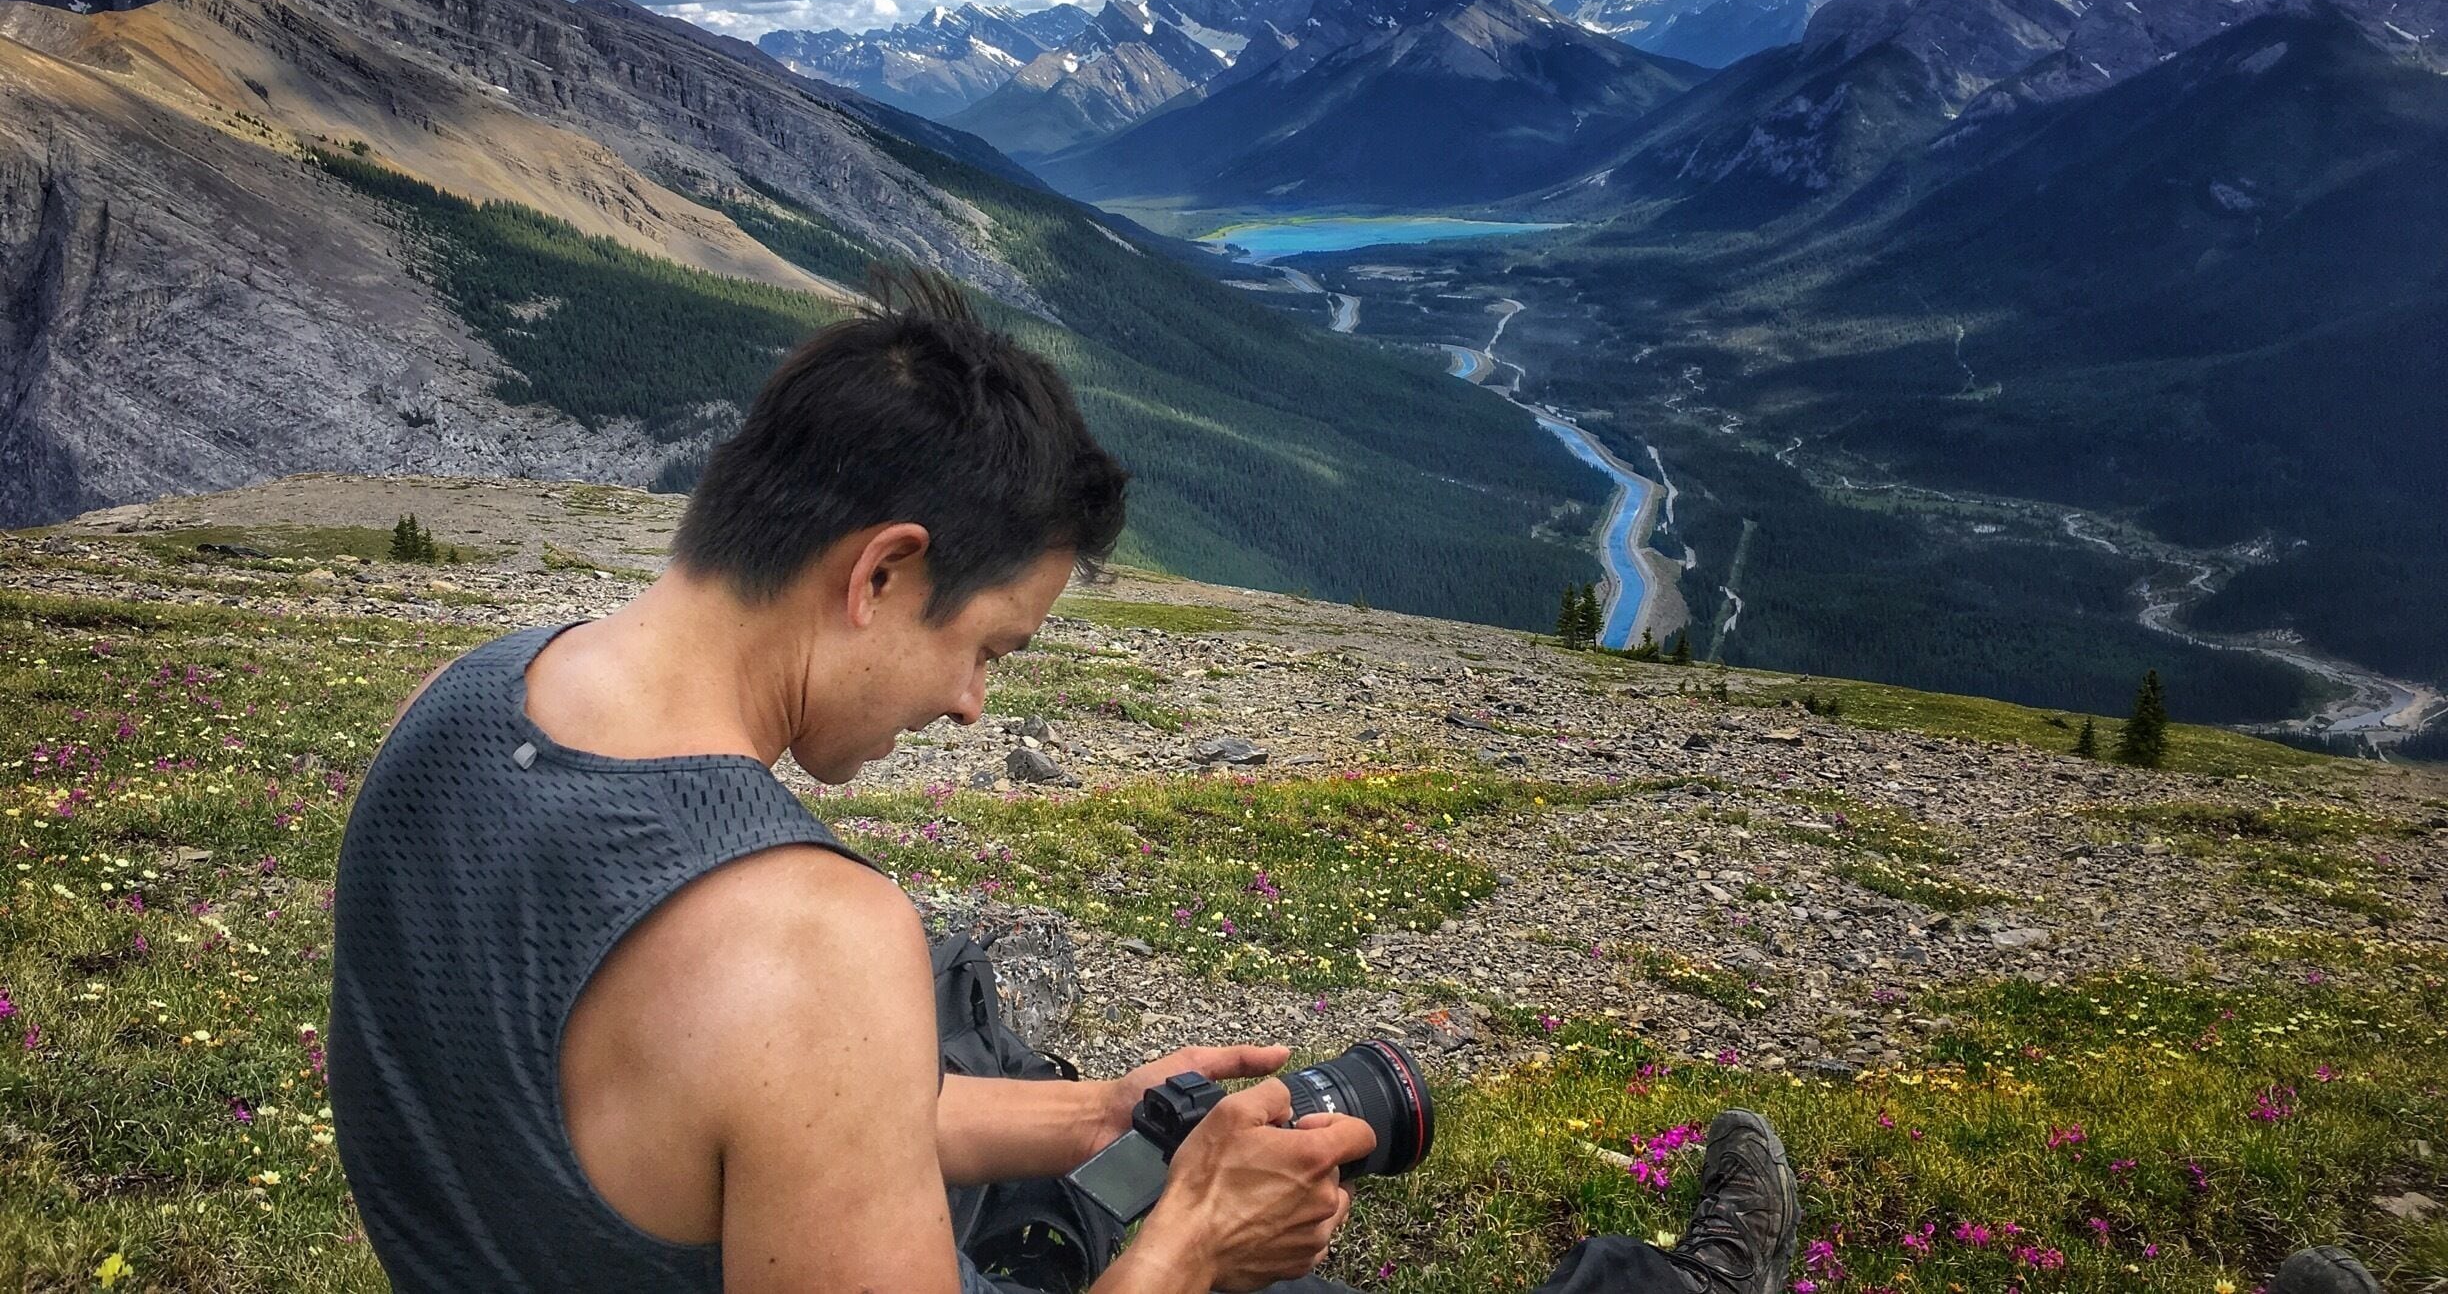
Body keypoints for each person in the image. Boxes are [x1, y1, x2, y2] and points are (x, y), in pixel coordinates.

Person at [328, 268, 1798, 1293]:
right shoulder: (799, 944)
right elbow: (787, 1058)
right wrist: (1190, 1245)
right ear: (885, 571)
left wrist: (1103, 1115)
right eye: (985, 647)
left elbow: (728, 1119)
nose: (971, 707)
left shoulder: (452, 705)